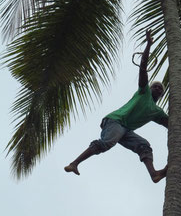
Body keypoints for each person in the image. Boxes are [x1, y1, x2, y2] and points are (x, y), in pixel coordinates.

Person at [64, 30, 169, 183]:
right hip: (115, 121)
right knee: (107, 143)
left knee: (144, 146)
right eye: (156, 86)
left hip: (125, 130)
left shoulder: (156, 111)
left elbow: (174, 123)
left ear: (161, 95)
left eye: (160, 89)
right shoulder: (143, 91)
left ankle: (154, 174)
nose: (158, 88)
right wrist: (148, 45)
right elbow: (143, 66)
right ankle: (74, 163)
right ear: (150, 88)